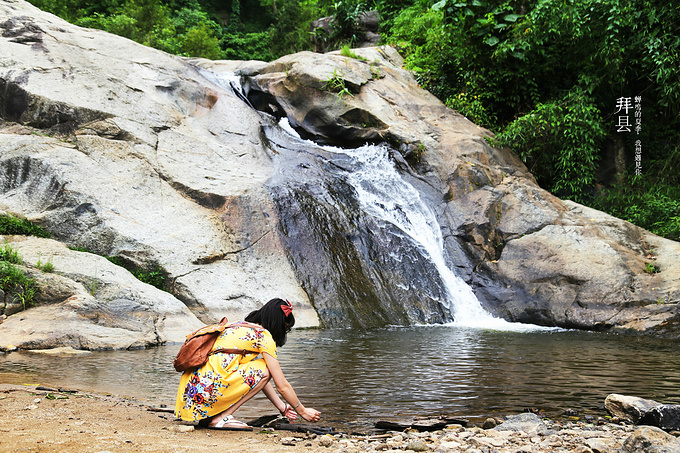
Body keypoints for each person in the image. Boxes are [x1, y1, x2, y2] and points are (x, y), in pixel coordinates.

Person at [174, 298, 321, 430]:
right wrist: (302, 410)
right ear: (278, 324)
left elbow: (258, 379)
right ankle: (222, 418)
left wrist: (282, 407)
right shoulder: (263, 336)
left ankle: (212, 417)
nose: (284, 332)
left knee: (262, 368)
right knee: (265, 368)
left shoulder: (239, 326)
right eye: (286, 328)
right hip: (207, 391)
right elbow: (281, 385)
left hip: (191, 395)